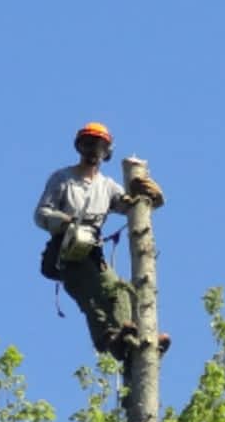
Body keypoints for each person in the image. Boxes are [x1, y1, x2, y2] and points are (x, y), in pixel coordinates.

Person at [35, 122, 168, 357]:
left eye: (98, 146)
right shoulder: (63, 178)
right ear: (79, 147)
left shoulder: (106, 187)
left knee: (121, 290)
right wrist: (64, 222)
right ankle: (109, 338)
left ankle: (138, 337)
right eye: (88, 144)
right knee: (93, 295)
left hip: (92, 251)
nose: (93, 150)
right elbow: (41, 214)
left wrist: (153, 197)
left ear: (107, 151)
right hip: (65, 252)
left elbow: (130, 207)